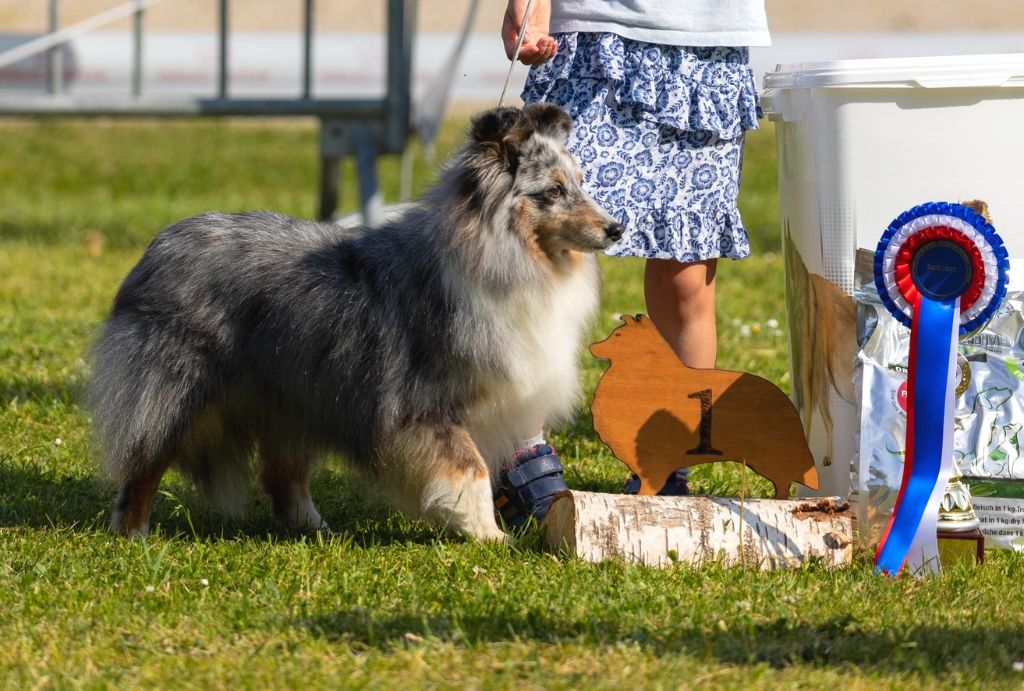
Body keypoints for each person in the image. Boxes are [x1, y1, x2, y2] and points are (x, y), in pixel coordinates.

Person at [494, 0, 769, 525]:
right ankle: (520, 451)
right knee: (541, 242)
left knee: (687, 278)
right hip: (594, 40)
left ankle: (669, 466)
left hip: (706, 50)